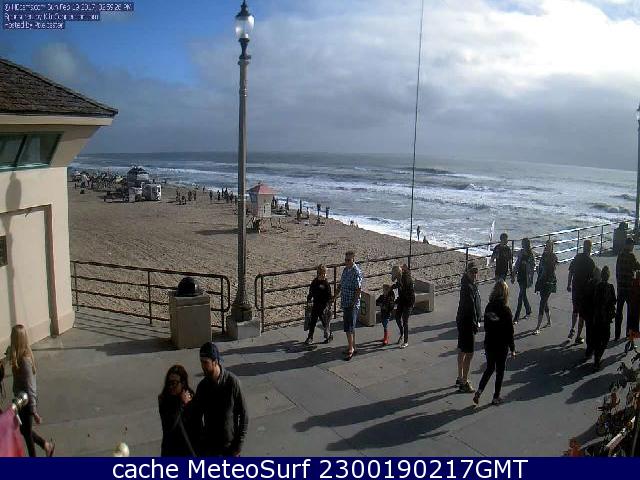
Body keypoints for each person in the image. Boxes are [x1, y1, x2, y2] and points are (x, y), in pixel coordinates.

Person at [188, 343, 248, 456]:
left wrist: (238, 446)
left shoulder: (232, 383)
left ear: (215, 362)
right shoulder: (203, 387)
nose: (202, 366)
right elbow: (196, 417)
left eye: (205, 362)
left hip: (229, 448)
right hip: (210, 448)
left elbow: (244, 415)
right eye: (201, 362)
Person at [7, 325, 55, 457]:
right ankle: (46, 445)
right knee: (24, 430)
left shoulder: (24, 360)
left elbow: (31, 387)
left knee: (26, 433)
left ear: (17, 339)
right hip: (21, 401)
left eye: (13, 337)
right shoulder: (17, 356)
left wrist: (34, 412)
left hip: (27, 402)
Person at [473, 281, 515, 406]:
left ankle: (479, 391)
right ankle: (496, 397)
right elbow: (510, 332)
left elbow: (486, 326)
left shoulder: (489, 306)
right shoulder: (506, 310)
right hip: (501, 345)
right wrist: (512, 348)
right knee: (500, 371)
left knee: (490, 368)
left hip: (489, 342)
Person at [158, 365, 196, 456]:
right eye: (169, 383)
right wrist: (181, 404)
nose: (171, 386)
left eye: (174, 383)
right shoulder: (163, 400)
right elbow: (169, 426)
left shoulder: (190, 397)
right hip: (171, 452)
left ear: (183, 383)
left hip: (189, 450)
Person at [456, 262, 481, 393]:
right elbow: (471, 308)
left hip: (462, 321)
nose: (474, 274)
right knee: (469, 353)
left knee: (461, 350)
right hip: (468, 323)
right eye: (472, 272)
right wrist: (475, 323)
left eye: (476, 272)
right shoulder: (469, 287)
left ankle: (460, 377)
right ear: (467, 272)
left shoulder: (468, 284)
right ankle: (464, 382)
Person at [335, 250, 363, 360]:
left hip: (352, 303)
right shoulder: (346, 270)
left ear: (353, 260)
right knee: (350, 325)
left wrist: (353, 302)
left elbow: (358, 289)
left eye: (348, 260)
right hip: (345, 301)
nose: (346, 262)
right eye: (345, 260)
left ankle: (350, 349)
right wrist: (335, 296)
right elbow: (341, 284)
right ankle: (353, 346)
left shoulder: (356, 272)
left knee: (349, 326)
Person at [567, 240, 596, 344]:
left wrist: (568, 284)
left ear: (583, 247)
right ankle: (578, 336)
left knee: (575, 310)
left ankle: (572, 328)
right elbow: (593, 279)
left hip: (575, 287)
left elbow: (571, 271)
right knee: (582, 314)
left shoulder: (577, 257)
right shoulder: (591, 262)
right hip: (584, 290)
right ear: (590, 248)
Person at [615, 237, 639, 341]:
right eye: (632, 245)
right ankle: (628, 333)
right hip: (629, 288)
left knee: (619, 311)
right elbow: (637, 267)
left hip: (620, 287)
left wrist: (618, 283)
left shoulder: (620, 255)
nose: (633, 247)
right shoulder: (631, 256)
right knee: (630, 311)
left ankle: (617, 334)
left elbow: (617, 270)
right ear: (629, 245)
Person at [592, 266, 616, 370]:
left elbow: (594, 300)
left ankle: (596, 358)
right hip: (606, 317)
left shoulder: (597, 286)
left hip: (597, 316)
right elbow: (614, 300)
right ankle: (598, 357)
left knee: (597, 338)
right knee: (605, 338)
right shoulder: (610, 287)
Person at [534, 240, 558, 334]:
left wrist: (544, 267)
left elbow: (552, 269)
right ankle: (549, 321)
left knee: (542, 302)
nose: (547, 247)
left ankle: (538, 327)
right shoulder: (543, 255)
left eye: (549, 246)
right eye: (546, 246)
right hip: (542, 281)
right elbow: (540, 268)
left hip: (549, 282)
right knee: (545, 302)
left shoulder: (553, 257)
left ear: (552, 247)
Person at [304, 265, 333, 345]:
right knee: (312, 321)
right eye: (322, 274)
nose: (323, 275)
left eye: (324, 274)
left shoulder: (326, 284)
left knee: (324, 322)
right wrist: (309, 300)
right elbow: (311, 292)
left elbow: (329, 296)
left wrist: (328, 306)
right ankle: (310, 337)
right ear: (318, 274)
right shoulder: (315, 282)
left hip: (323, 306)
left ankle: (329, 335)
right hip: (315, 304)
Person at [512, 238, 535, 322]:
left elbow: (533, 266)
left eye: (523, 243)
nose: (522, 245)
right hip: (520, 276)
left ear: (527, 244)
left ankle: (516, 317)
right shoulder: (521, 252)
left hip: (526, 277)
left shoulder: (530, 254)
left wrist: (527, 266)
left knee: (520, 296)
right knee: (523, 294)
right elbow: (517, 264)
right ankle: (528, 310)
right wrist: (513, 275)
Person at [395, 264, 415, 348]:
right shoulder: (400, 278)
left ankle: (406, 341)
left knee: (405, 321)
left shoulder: (406, 279)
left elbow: (405, 292)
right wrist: (391, 287)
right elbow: (397, 285)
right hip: (402, 300)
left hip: (408, 302)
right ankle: (402, 333)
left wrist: (397, 300)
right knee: (397, 317)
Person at [625, 271, 640, 353]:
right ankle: (630, 343)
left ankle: (631, 343)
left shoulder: (632, 282)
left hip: (631, 307)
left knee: (631, 326)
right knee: (635, 327)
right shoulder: (638, 283)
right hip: (636, 309)